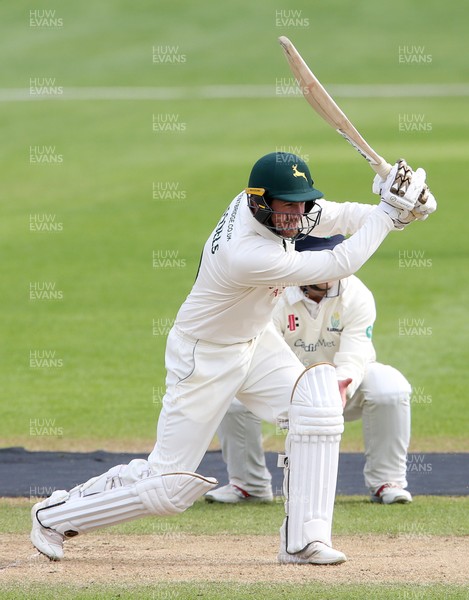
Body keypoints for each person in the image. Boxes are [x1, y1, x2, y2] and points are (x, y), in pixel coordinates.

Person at [30, 152, 435, 566]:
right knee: (168, 487)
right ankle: (55, 515)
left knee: (317, 405)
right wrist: (389, 215)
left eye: (303, 202)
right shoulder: (246, 253)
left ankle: (304, 540)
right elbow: (339, 261)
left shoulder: (269, 209)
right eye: (288, 205)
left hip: (254, 341)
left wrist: (399, 212)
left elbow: (337, 216)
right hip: (205, 354)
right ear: (260, 202)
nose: (298, 214)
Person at [205, 235, 412, 506]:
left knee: (389, 387)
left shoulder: (358, 295)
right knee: (232, 394)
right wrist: (303, 393)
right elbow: (268, 354)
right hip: (285, 388)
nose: (328, 270)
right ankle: (249, 485)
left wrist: (339, 387)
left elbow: (355, 354)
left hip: (341, 390)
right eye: (319, 262)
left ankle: (387, 481)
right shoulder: (272, 295)